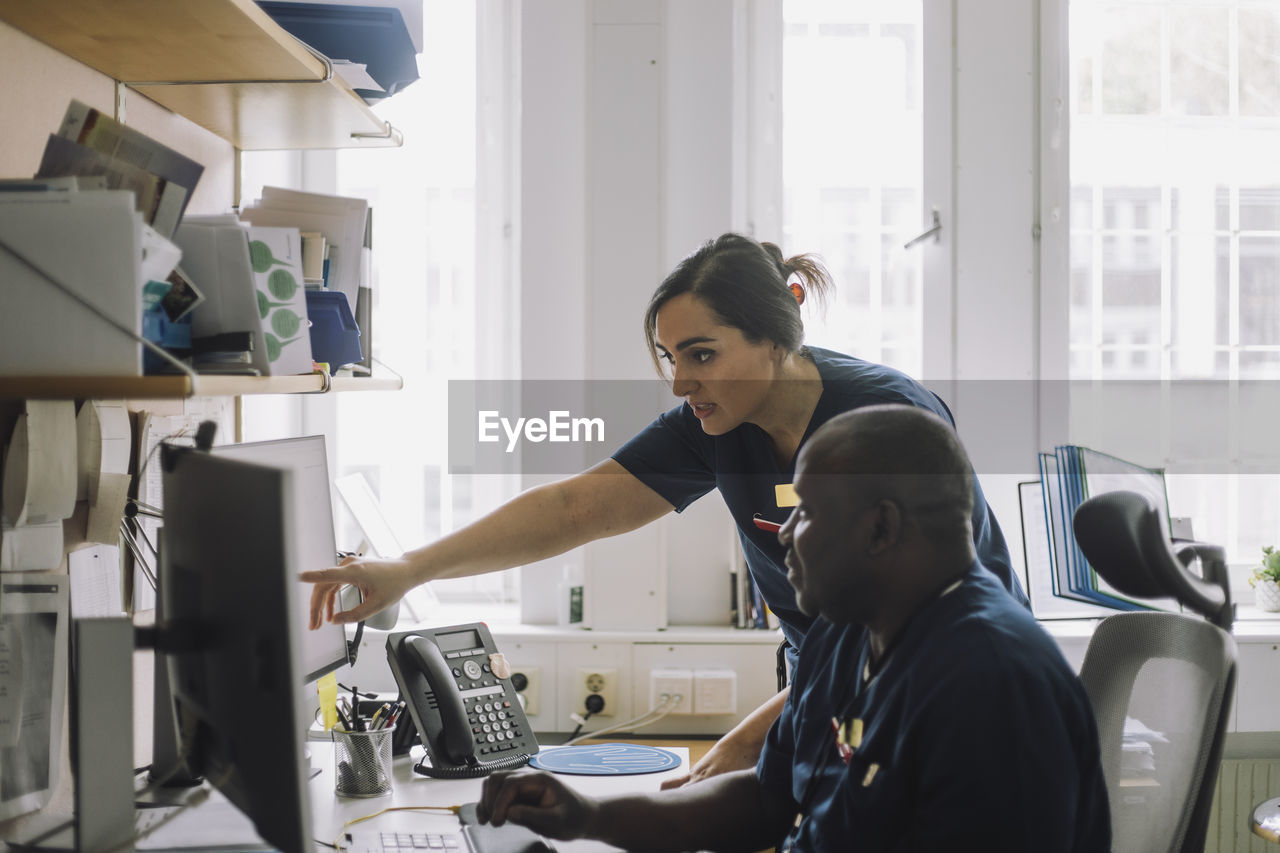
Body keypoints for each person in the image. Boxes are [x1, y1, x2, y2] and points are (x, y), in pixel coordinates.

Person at [301, 232, 1027, 786]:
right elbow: (575, 507)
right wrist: (409, 569)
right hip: (826, 703)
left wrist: (747, 742)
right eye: (669, 355)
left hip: (945, 702)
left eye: (702, 354)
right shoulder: (718, 424)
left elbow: (902, 640)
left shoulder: (886, 423)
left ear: (778, 333)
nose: (681, 380)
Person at [474, 405, 1110, 852]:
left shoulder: (991, 680)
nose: (782, 534)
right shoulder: (848, 631)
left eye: (805, 512)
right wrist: (587, 816)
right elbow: (768, 800)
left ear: (881, 528)